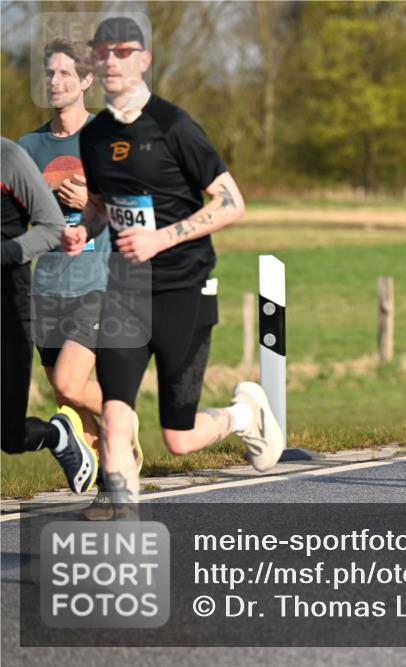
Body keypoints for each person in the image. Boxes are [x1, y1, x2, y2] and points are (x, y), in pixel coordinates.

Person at [64, 17, 284, 517]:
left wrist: (161, 237)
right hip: (123, 290)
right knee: (117, 420)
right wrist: (84, 228)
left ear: (143, 60)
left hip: (185, 288)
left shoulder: (173, 126)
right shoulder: (94, 136)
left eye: (123, 51)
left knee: (178, 439)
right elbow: (102, 205)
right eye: (103, 52)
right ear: (94, 64)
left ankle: (244, 414)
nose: (112, 60)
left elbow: (231, 202)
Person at [17, 39, 144, 487]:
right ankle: (108, 488)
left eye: (66, 73)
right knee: (71, 410)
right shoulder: (27, 147)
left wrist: (90, 197)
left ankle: (123, 415)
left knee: (71, 386)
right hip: (45, 286)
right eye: (50, 73)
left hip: (97, 282)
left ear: (87, 80)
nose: (55, 81)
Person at [1, 137, 96, 493]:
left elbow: (53, 227)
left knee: (9, 435)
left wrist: (6, 251)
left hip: (8, 305)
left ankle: (57, 436)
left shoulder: (8, 156)